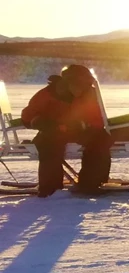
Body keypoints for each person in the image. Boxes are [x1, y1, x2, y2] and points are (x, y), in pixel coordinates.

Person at [20, 65, 113, 196]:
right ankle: (50, 188)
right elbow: (27, 115)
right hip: (52, 131)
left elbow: (98, 118)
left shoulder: (89, 94)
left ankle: (90, 183)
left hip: (77, 130)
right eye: (80, 84)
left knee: (101, 140)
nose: (83, 88)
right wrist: (41, 122)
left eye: (86, 84)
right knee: (49, 146)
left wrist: (85, 125)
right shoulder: (48, 93)